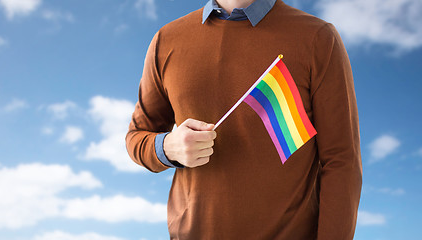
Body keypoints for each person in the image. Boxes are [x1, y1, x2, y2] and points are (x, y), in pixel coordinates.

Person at [125, 0, 362, 239]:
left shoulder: (318, 38)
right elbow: (137, 137)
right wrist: (168, 148)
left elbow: (342, 160)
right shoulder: (166, 39)